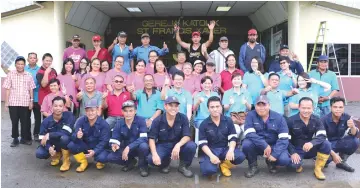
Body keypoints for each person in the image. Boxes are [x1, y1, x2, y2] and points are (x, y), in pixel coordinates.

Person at [242, 95, 291, 178]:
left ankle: (271, 162)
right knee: (246, 144)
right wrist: (264, 145)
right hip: (258, 145)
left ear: (269, 105)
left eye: (264, 105)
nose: (261, 108)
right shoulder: (250, 115)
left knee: (284, 160)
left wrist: (275, 154)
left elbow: (284, 138)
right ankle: (253, 166)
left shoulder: (279, 117)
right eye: (258, 105)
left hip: (274, 146)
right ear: (255, 106)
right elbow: (249, 133)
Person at [148, 96, 197, 178]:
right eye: (171, 105)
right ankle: (165, 163)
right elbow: (151, 138)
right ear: (165, 106)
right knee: (151, 159)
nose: (173, 108)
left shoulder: (183, 118)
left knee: (191, 146)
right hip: (163, 145)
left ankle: (183, 166)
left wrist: (178, 145)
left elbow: (187, 135)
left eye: (176, 106)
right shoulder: (158, 120)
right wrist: (154, 154)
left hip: (179, 144)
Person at [198, 96, 245, 177]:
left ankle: (224, 165)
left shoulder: (228, 120)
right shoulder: (204, 124)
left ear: (221, 107)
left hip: (224, 149)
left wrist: (230, 150)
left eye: (217, 106)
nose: (215, 109)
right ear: (208, 109)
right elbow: (202, 144)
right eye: (212, 107)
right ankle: (214, 164)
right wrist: (211, 156)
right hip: (211, 150)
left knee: (240, 156)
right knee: (208, 171)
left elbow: (233, 138)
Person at [287, 97, 331, 180]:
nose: (306, 111)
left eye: (308, 108)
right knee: (292, 166)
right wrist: (292, 152)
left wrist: (312, 143)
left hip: (311, 147)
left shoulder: (316, 119)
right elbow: (286, 140)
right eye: (303, 108)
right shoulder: (290, 120)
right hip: (297, 149)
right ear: (299, 107)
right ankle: (299, 164)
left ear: (313, 108)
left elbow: (322, 135)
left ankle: (318, 169)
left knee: (327, 148)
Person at [107, 100, 150, 177]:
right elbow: (115, 138)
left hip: (138, 148)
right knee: (111, 157)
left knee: (144, 146)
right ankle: (130, 162)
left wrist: (128, 147)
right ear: (122, 112)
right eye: (126, 111)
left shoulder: (141, 120)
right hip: (126, 149)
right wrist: (114, 144)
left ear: (135, 111)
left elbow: (143, 138)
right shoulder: (119, 123)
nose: (128, 113)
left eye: (131, 111)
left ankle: (143, 166)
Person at [67, 99, 110, 172]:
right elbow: (73, 136)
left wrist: (95, 151)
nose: (90, 113)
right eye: (87, 111)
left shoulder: (104, 124)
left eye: (92, 110)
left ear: (97, 110)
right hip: (85, 146)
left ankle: (99, 161)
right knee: (71, 145)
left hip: (98, 147)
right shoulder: (80, 121)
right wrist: (77, 136)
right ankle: (83, 162)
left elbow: (104, 141)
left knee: (102, 158)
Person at [35, 96, 75, 172]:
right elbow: (41, 137)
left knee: (64, 138)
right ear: (51, 107)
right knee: (39, 153)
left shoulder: (69, 116)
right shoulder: (46, 121)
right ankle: (56, 155)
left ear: (64, 107)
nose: (58, 108)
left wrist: (50, 135)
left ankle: (66, 161)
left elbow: (66, 133)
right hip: (53, 144)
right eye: (55, 106)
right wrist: (49, 147)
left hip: (66, 142)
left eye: (60, 106)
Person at [3, 56, 36, 147]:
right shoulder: (11, 74)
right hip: (13, 102)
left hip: (25, 102)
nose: (20, 66)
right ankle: (15, 139)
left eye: (22, 64)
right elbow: (8, 89)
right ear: (15, 65)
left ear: (24, 65)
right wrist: (6, 103)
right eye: (18, 64)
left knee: (25, 121)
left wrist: (31, 101)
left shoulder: (28, 75)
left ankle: (24, 138)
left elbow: (31, 89)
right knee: (14, 121)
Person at [322, 97, 359, 172]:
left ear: (343, 108)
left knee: (355, 141)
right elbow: (321, 140)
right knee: (325, 161)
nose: (338, 109)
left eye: (340, 107)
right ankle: (321, 159)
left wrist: (352, 127)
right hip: (326, 144)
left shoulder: (347, 117)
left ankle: (341, 162)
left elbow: (354, 134)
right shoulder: (323, 120)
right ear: (330, 107)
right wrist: (334, 155)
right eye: (335, 107)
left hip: (339, 142)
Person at [193, 77, 219, 146]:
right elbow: (194, 109)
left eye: (209, 83)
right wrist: (198, 102)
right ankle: (205, 146)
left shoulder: (215, 94)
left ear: (211, 84)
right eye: (205, 83)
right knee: (208, 127)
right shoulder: (198, 95)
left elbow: (219, 108)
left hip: (214, 118)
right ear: (201, 84)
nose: (207, 85)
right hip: (201, 119)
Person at [25, 52, 41, 141]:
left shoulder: (39, 70)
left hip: (37, 96)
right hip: (25, 98)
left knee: (37, 117)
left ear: (37, 59)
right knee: (26, 117)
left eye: (34, 58)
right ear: (28, 59)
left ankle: (36, 133)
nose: (32, 59)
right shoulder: (23, 68)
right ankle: (27, 135)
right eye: (30, 58)